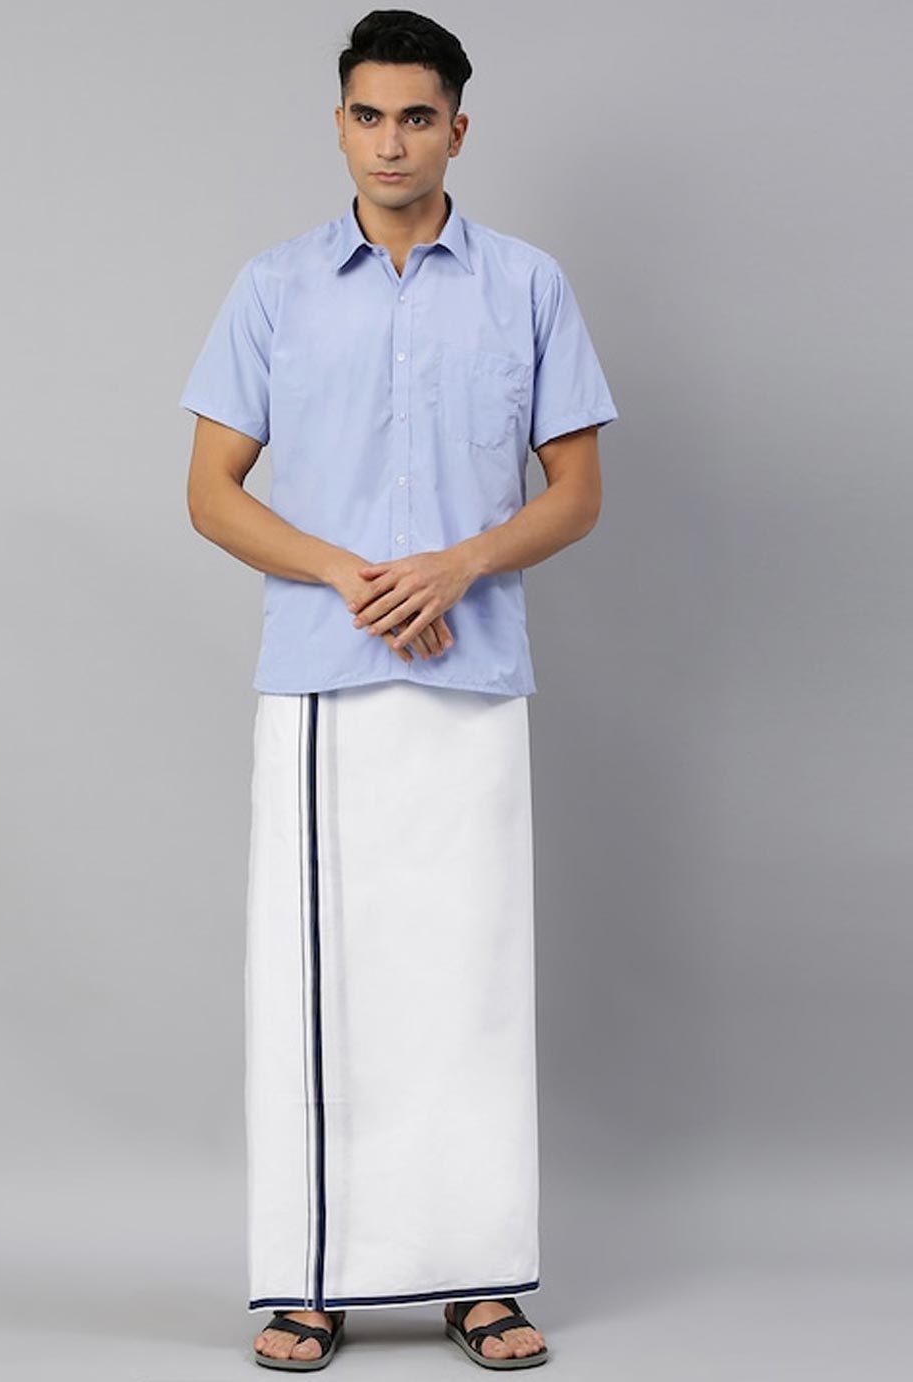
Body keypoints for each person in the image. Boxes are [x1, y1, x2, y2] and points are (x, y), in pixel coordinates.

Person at [179, 9, 618, 1371]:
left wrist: (459, 565)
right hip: (324, 683)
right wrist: (349, 574)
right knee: (319, 983)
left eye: (416, 117)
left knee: (471, 980)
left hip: (474, 675)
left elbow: (577, 492)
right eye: (368, 116)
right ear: (339, 126)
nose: (390, 141)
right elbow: (211, 493)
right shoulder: (273, 288)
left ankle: (478, 1278)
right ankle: (309, 1281)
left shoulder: (528, 285)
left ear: (457, 130)